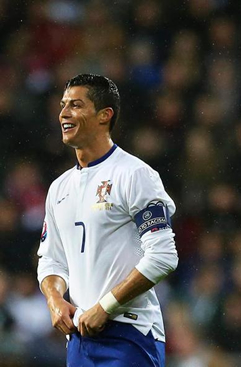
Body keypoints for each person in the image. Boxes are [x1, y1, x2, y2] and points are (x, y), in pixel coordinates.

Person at [37, 74, 178, 366]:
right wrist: (55, 301)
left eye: (76, 105)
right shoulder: (58, 189)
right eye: (63, 105)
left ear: (104, 116)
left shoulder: (135, 175)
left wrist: (106, 306)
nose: (64, 113)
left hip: (130, 334)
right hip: (80, 338)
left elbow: (163, 256)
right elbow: (51, 260)